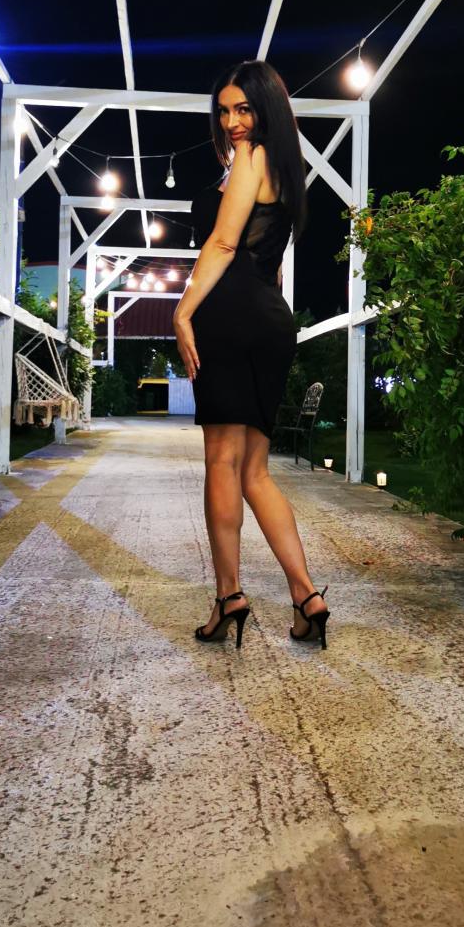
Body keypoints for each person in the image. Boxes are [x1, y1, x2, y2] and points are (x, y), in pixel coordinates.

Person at [173, 60, 331, 650]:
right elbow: (272, 258)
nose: (231, 121)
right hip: (269, 319)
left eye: (243, 108)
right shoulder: (286, 168)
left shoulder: (250, 156)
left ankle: (229, 597)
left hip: (229, 315)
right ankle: (307, 598)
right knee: (255, 472)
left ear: (266, 108)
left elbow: (222, 243)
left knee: (222, 462)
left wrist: (183, 311)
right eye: (223, 110)